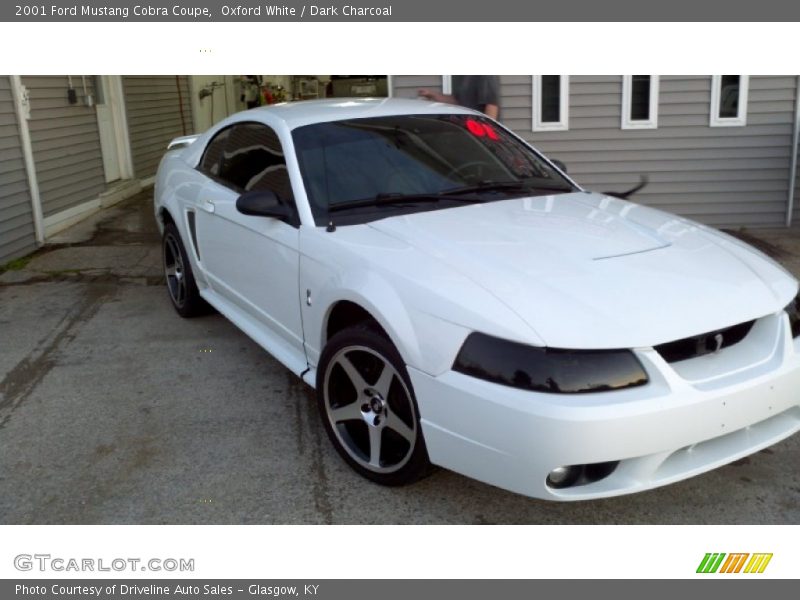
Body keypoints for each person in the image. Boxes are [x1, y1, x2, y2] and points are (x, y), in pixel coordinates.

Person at [418, 75, 500, 118]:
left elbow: (491, 105)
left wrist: (487, 135)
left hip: (480, 133)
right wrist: (432, 94)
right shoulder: (465, 76)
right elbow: (457, 100)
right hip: (468, 130)